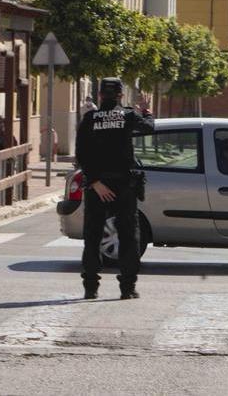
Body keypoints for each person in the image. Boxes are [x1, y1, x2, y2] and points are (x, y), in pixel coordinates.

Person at [75, 77, 154, 300]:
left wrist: (95, 182)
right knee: (129, 236)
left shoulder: (89, 118)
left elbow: (81, 154)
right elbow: (149, 127)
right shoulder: (128, 115)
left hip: (97, 187)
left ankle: (91, 288)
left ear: (100, 96)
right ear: (121, 95)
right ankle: (127, 288)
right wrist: (146, 110)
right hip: (124, 186)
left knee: (92, 237)